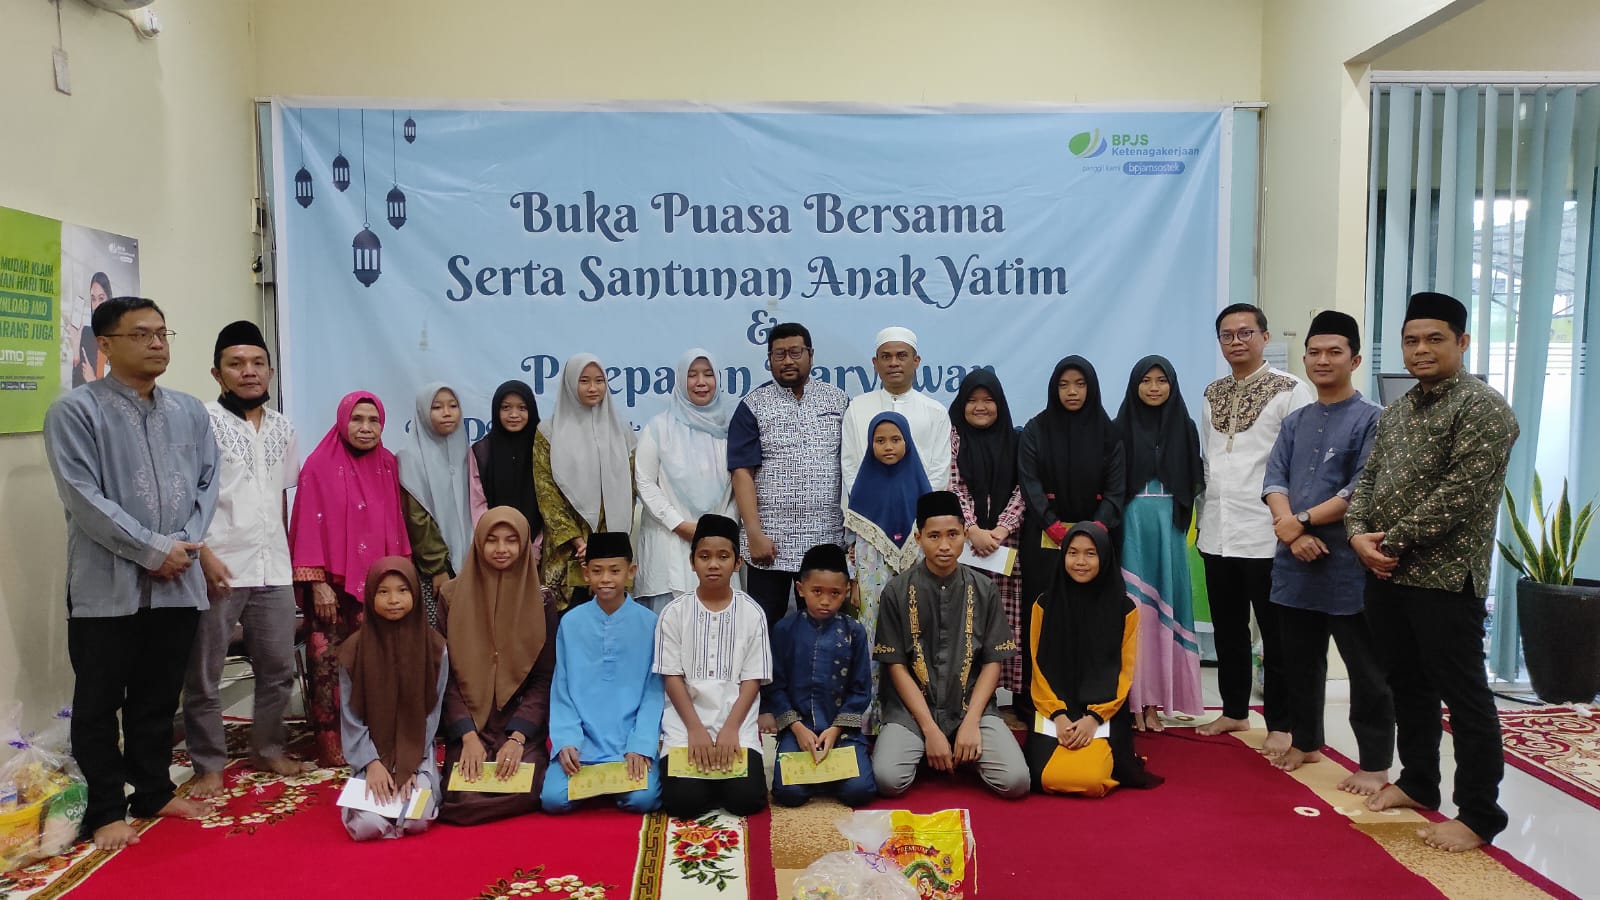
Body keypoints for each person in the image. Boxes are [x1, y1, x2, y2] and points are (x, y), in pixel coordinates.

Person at [43, 297, 217, 850]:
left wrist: (182, 546)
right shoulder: (75, 413)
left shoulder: (189, 411)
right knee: (99, 703)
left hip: (179, 582)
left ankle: (153, 791)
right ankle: (105, 810)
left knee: (158, 697)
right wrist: (153, 550)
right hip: (106, 588)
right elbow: (83, 498)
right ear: (105, 345)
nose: (157, 343)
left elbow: (207, 485)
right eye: (142, 334)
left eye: (163, 333)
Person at [1348, 292, 1518, 852]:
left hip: (1445, 578)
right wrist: (1357, 535)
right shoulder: (1398, 410)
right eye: (1411, 340)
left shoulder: (1483, 407)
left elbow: (1459, 496)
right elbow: (1368, 480)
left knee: (1464, 695)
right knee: (1406, 684)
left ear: (1462, 342)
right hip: (1387, 574)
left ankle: (1480, 815)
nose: (1421, 349)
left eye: (1434, 339)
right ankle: (1419, 781)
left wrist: (1387, 542)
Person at [1262, 312, 1394, 789]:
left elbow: (1361, 490)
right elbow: (1274, 480)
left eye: (1334, 352)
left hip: (1349, 566)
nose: (1323, 360)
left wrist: (1299, 522)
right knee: (1299, 662)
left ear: (1354, 360)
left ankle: (1375, 765)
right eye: (1315, 352)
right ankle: (1306, 742)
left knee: (1366, 671)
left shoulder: (1374, 419)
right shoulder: (1295, 421)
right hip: (1294, 564)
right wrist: (1292, 532)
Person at [183, 321, 311, 801]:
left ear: (270, 372)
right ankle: (208, 765)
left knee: (278, 668)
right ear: (217, 374)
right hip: (217, 568)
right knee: (204, 674)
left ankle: (267, 748)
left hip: (272, 566)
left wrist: (289, 557)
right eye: (236, 364)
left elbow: (279, 497)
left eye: (258, 363)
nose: (249, 371)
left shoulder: (283, 428)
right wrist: (202, 555)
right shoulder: (201, 423)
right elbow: (184, 499)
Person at [1195, 303, 1313, 745]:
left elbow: (1303, 465)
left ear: (1264, 337)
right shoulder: (1212, 393)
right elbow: (1209, 460)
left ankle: (1281, 724)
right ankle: (1234, 712)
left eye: (1245, 332)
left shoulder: (1290, 390)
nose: (1236, 341)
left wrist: (1296, 524)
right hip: (1218, 530)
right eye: (1227, 335)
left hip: (1268, 532)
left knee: (1276, 634)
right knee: (1228, 630)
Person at [872, 491, 1030, 800]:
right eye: (934, 536)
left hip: (969, 708)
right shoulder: (896, 591)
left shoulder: (984, 589)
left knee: (1016, 781)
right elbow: (896, 667)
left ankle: (961, 744)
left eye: (953, 534)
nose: (944, 545)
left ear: (965, 536)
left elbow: (993, 662)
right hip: (912, 713)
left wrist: (971, 722)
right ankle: (934, 745)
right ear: (918, 538)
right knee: (888, 779)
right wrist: (930, 729)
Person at [289, 391, 411, 767]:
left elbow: (394, 524)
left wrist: (396, 583)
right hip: (331, 590)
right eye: (357, 419)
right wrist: (317, 583)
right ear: (343, 421)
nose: (365, 428)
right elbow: (307, 526)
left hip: (379, 588)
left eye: (374, 421)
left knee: (378, 663)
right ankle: (333, 747)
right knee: (329, 666)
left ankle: (377, 742)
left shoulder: (387, 465)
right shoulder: (318, 465)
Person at [1016, 356, 1125, 720]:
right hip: (1045, 541)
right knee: (1044, 616)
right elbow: (1029, 483)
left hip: (1096, 544)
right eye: (1064, 385)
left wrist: (1090, 536)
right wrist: (1055, 527)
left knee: (1093, 618)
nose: (1072, 392)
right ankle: (1038, 698)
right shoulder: (1036, 430)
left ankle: (1092, 698)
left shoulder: (1109, 433)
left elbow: (1116, 491)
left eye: (1080, 384)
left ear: (1091, 387)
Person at [437, 508, 558, 825]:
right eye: (492, 540)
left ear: (524, 545)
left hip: (518, 723)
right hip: (470, 724)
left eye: (511, 540)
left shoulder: (542, 601)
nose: (501, 549)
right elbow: (445, 677)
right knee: (462, 795)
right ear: (478, 542)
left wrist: (518, 738)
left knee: (529, 788)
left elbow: (544, 678)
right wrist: (467, 736)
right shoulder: (450, 597)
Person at [1026, 523, 1162, 796]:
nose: (1080, 561)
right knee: (1040, 777)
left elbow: (1125, 672)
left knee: (1089, 780)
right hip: (1054, 711)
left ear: (1105, 557)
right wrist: (1059, 715)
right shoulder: (1043, 605)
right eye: (1072, 553)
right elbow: (1036, 668)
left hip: (1102, 711)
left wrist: (1094, 718)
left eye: (1090, 553)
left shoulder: (1124, 609)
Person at [728, 322, 849, 626]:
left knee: (825, 627)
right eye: (779, 354)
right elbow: (742, 472)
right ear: (769, 359)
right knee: (764, 627)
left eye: (795, 352)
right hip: (770, 542)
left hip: (827, 539)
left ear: (810, 354)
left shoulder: (838, 401)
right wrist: (754, 534)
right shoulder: (752, 406)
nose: (787, 361)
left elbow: (852, 466)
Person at [655, 514, 772, 818]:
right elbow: (672, 677)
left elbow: (752, 680)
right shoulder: (674, 613)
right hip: (686, 723)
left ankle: (721, 778)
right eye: (704, 556)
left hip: (736, 721)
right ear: (692, 562)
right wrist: (695, 730)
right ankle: (705, 779)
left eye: (723, 556)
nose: (713, 565)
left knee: (745, 800)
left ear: (737, 563)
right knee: (683, 802)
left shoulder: (752, 613)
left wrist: (731, 729)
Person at [1113, 356, 1206, 732]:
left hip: (1169, 529)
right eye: (1146, 380)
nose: (1154, 387)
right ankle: (1132, 701)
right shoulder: (1119, 427)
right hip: (1131, 527)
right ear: (1134, 385)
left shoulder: (1185, 427)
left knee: (1166, 607)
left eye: (1161, 380)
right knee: (1135, 611)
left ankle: (1157, 702)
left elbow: (1193, 480)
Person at [542, 531, 665, 814]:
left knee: (642, 800)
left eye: (615, 570)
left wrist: (641, 744)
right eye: (597, 571)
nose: (606, 579)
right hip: (583, 744)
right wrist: (567, 740)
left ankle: (619, 777)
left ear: (631, 572)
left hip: (628, 743)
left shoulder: (650, 623)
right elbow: (561, 689)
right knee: (553, 800)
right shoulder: (570, 623)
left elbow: (654, 690)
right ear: (586, 574)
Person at [338, 557, 448, 841]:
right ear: (370, 596)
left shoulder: (435, 649)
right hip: (372, 754)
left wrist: (409, 763)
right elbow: (351, 717)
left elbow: (432, 713)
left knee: (416, 818)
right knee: (366, 826)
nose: (393, 600)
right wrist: (372, 763)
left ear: (416, 593)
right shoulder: (353, 651)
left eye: (402, 590)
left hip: (417, 753)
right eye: (383, 592)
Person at [766, 544, 877, 807]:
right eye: (817, 591)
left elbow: (861, 689)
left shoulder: (854, 632)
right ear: (800, 588)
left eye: (834, 593)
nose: (825, 601)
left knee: (860, 791)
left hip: (842, 730)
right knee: (788, 794)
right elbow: (775, 685)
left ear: (846, 592)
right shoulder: (784, 629)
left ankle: (828, 772)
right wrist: (796, 728)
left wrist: (836, 729)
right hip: (798, 730)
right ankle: (822, 773)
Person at [844, 411, 931, 731]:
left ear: (908, 442)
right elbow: (851, 542)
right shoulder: (862, 487)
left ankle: (913, 715)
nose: (888, 446)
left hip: (914, 574)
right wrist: (854, 581)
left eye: (896, 439)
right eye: (880, 440)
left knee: (914, 634)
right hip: (872, 575)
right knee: (874, 637)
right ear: (870, 444)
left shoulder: (921, 487)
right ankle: (873, 717)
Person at [635, 349, 737, 612]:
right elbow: (645, 483)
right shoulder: (658, 428)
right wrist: (678, 524)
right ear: (681, 380)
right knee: (670, 628)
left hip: (718, 544)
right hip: (667, 542)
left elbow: (740, 486)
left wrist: (719, 529)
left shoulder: (731, 431)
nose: (701, 382)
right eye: (692, 375)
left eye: (708, 374)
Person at [948, 370, 1027, 701]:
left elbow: (1024, 488)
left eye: (988, 400)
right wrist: (972, 529)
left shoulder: (1016, 440)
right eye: (972, 400)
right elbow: (954, 485)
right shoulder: (953, 439)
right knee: (966, 620)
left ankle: (1001, 698)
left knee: (1004, 620)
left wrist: (1001, 528)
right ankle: (971, 698)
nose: (980, 407)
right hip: (965, 546)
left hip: (1006, 545)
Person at [536, 355, 636, 609]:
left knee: (610, 618)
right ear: (570, 384)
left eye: (599, 381)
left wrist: (602, 544)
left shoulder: (621, 431)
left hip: (610, 550)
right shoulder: (549, 432)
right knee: (567, 622)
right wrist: (580, 543)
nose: (593, 388)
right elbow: (547, 494)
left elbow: (629, 490)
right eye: (584, 381)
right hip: (567, 551)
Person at [840, 326, 952, 498]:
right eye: (886, 357)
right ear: (875, 363)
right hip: (868, 506)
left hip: (921, 510)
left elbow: (940, 469)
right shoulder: (857, 408)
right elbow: (850, 464)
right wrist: (868, 500)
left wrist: (922, 507)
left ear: (916, 361)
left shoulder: (936, 412)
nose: (894, 363)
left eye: (901, 356)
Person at [398, 381, 473, 628]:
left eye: (453, 406)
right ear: (422, 412)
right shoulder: (410, 458)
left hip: (471, 564)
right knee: (439, 633)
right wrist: (437, 568)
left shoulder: (466, 452)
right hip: (434, 569)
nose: (447, 413)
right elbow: (417, 518)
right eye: (437, 407)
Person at [469, 380, 543, 541]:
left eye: (522, 408)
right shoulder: (482, 451)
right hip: (495, 543)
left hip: (539, 544)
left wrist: (536, 544)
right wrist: (494, 538)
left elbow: (550, 498)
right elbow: (477, 502)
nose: (514, 415)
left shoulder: (543, 448)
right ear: (496, 410)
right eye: (506, 407)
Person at [72, 271, 113, 388]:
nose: (96, 305)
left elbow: (121, 390)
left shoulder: (119, 338)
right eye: (93, 299)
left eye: (101, 298)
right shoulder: (85, 334)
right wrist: (76, 347)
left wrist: (93, 381)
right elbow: (76, 387)